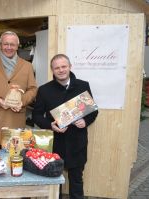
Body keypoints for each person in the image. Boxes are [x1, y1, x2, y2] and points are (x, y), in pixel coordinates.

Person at [32, 54, 98, 199]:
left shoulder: (83, 85)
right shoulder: (44, 90)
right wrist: (50, 125)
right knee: (55, 182)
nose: (61, 70)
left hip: (77, 143)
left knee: (76, 180)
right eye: (57, 68)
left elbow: (93, 111)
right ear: (52, 70)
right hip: (55, 144)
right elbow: (36, 116)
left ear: (69, 67)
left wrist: (85, 122)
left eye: (64, 66)